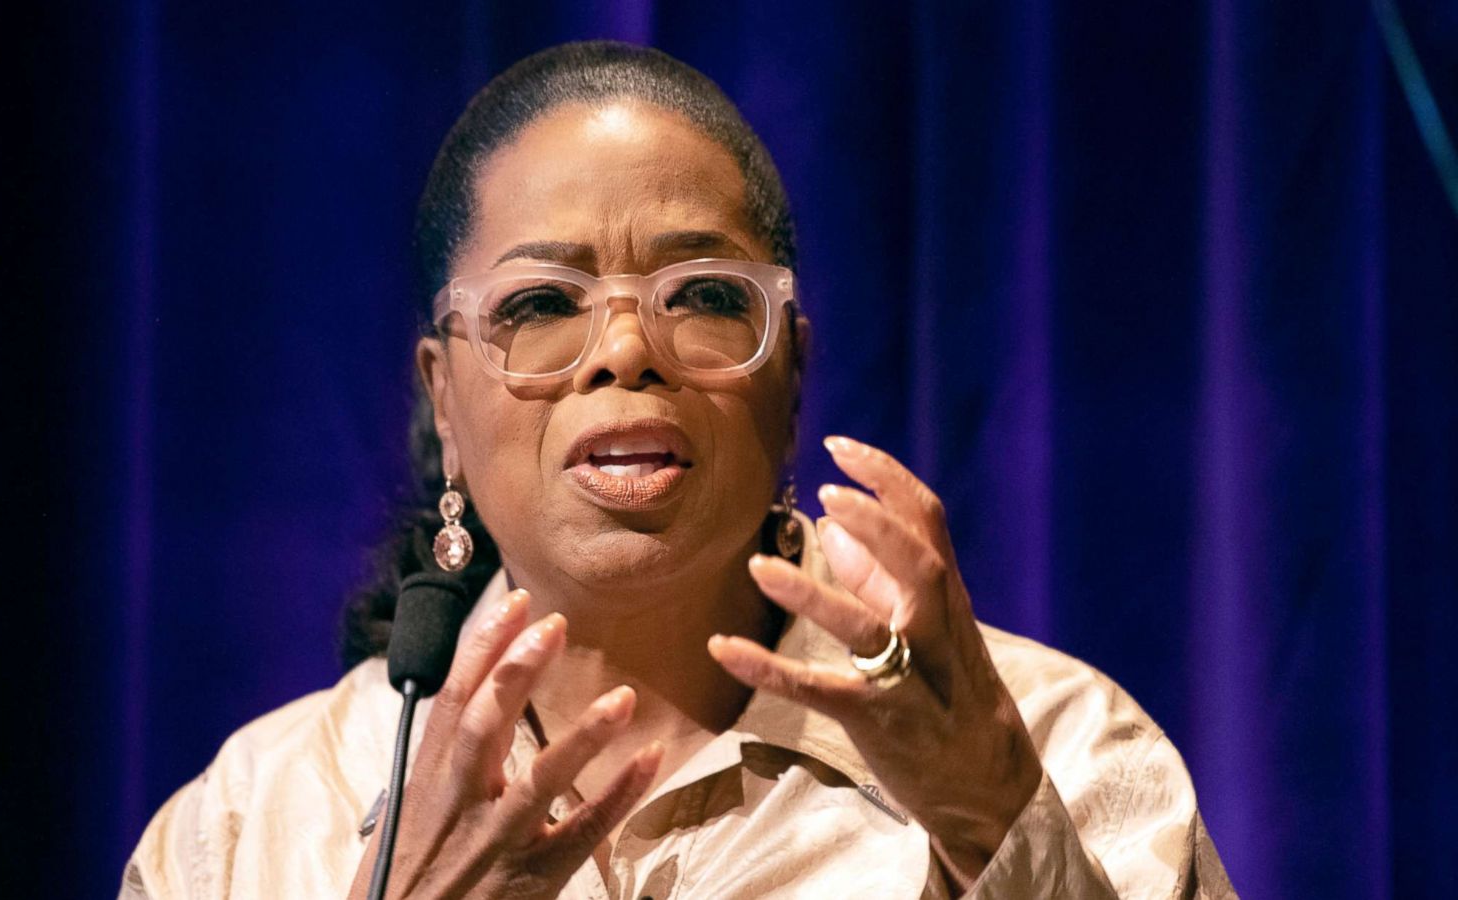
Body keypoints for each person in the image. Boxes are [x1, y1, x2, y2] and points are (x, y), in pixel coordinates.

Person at [121, 41, 1234, 899]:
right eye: (540, 305)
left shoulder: (1061, 747)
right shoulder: (255, 821)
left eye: (704, 295)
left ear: (792, 371)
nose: (624, 350)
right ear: (443, 400)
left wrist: (998, 823)